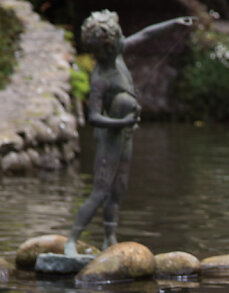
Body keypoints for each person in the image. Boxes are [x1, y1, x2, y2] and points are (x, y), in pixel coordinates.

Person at [65, 11, 195, 257]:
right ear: (102, 50)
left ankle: (109, 237)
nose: (122, 43)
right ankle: (71, 240)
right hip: (110, 137)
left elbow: (146, 34)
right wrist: (120, 121)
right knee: (100, 191)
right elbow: (93, 117)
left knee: (119, 188)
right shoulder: (100, 77)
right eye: (116, 42)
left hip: (125, 134)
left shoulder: (118, 51)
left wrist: (174, 23)